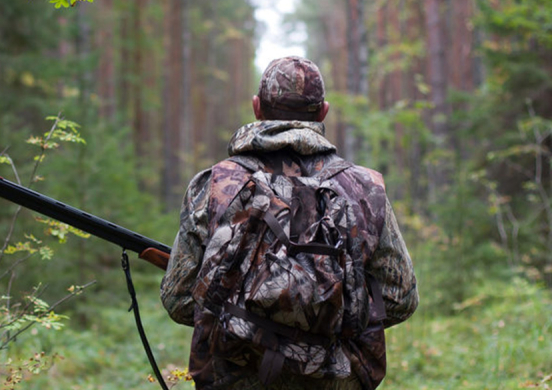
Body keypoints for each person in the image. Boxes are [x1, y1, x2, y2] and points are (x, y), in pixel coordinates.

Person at [160, 56, 419, 390]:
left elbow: (179, 300)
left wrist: (249, 325)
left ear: (257, 108)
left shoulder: (215, 185)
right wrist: (331, 320)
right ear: (323, 111)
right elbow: (400, 299)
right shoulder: (364, 188)